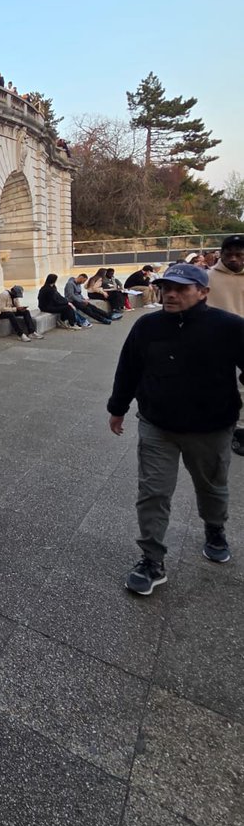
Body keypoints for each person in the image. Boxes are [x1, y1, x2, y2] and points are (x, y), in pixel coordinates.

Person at [107, 263, 244, 595]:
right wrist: (118, 408)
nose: (170, 293)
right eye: (167, 286)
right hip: (158, 425)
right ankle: (152, 560)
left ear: (203, 292)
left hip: (210, 428)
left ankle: (214, 529)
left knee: (211, 488)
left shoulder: (229, 327)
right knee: (153, 492)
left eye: (182, 288)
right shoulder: (147, 326)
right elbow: (129, 368)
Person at [207, 233, 244, 455]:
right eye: (228, 254)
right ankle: (219, 424)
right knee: (218, 383)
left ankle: (240, 429)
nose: (234, 259)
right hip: (217, 338)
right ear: (221, 255)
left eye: (239, 255)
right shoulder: (208, 277)